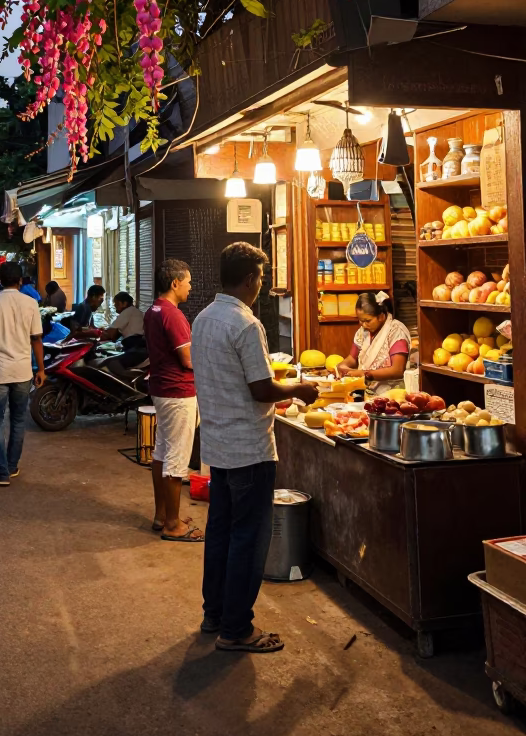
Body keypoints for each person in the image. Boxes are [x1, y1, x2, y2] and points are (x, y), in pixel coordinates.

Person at [191, 241, 318, 653]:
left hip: (218, 446)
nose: (262, 284)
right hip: (248, 449)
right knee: (248, 538)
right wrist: (299, 388)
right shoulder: (246, 325)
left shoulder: (204, 318)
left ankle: (215, 615)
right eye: (261, 277)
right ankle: (237, 630)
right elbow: (261, 387)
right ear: (250, 279)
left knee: (221, 532)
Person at [143, 260, 203, 543]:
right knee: (176, 459)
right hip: (177, 392)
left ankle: (162, 515)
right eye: (188, 281)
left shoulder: (152, 310)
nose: (190, 286)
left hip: (161, 388)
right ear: (175, 283)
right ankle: (173, 525)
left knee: (162, 452)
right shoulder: (173, 315)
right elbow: (188, 359)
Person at [0, 260, 46, 485]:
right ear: (21, 280)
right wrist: (41, 368)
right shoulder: (31, 303)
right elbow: (36, 339)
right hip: (22, 372)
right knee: (18, 421)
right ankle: (12, 466)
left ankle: (1, 473)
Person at [336, 290, 411, 396]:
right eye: (360, 321)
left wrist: (364, 374)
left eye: (367, 321)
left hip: (391, 395)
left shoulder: (396, 330)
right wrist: (342, 366)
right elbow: (352, 358)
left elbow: (397, 370)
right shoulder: (362, 332)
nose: (363, 325)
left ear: (381, 317)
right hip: (364, 392)